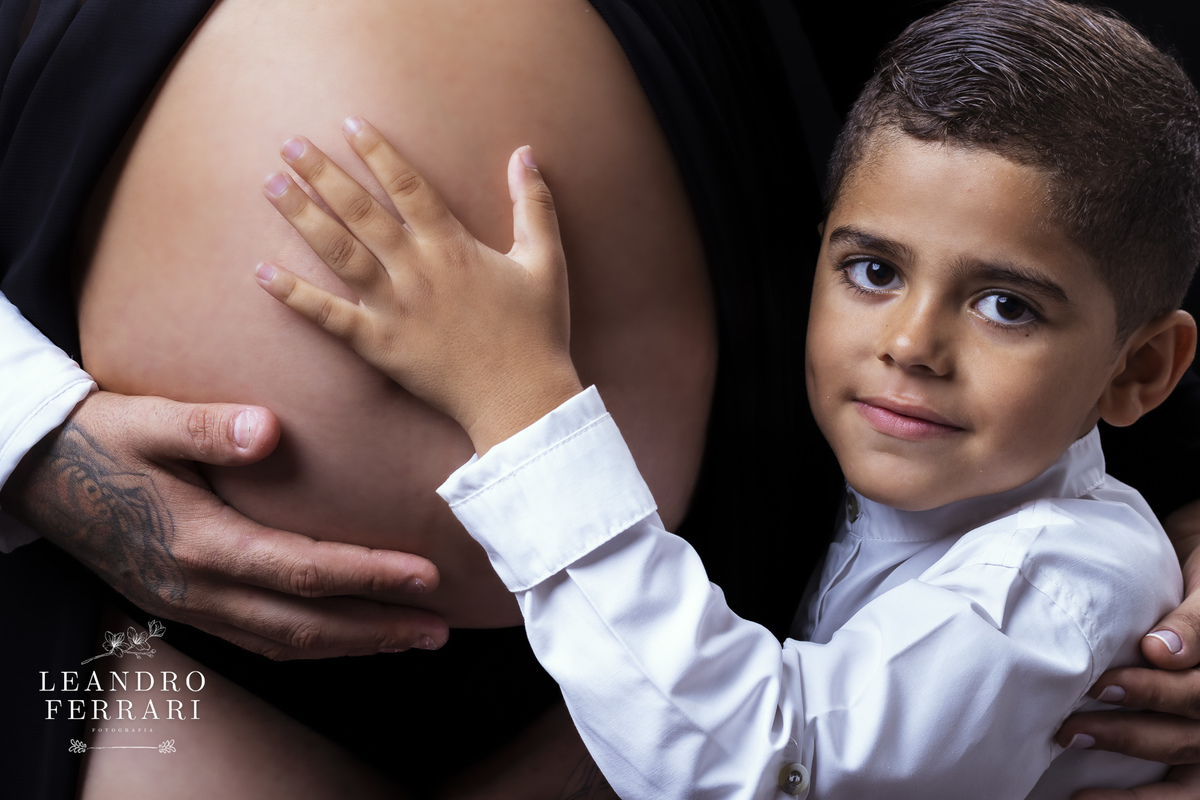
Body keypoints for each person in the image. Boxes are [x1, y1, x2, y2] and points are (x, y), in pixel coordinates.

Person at [5, 0, 1200, 797]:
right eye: (874, 272)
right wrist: (25, 424)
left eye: (1006, 306)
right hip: (129, 630)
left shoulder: (1051, 579)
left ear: (1142, 369)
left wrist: (515, 393)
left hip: (661, 672)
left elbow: (755, 756)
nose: (910, 344)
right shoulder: (921, 483)